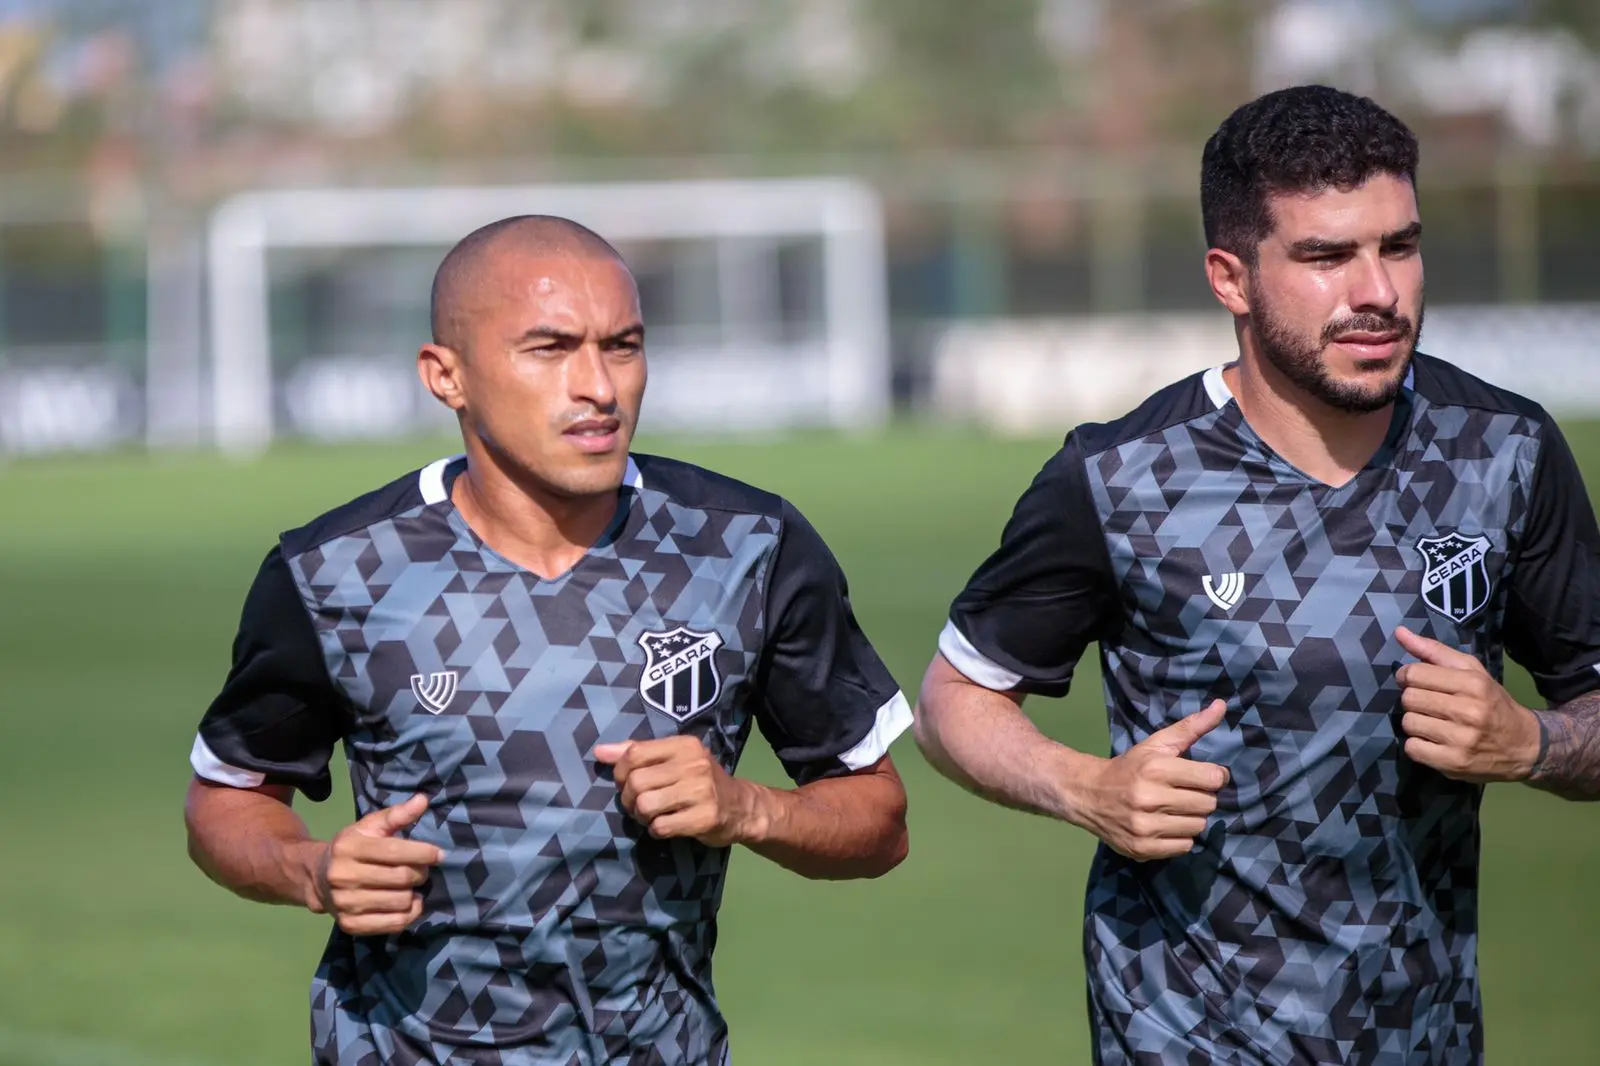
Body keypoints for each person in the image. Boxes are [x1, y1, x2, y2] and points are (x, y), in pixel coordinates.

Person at [913, 84, 1600, 1065]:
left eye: (1399, 246)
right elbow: (955, 697)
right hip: (1181, 1036)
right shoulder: (1119, 478)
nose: (1377, 290)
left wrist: (1532, 742)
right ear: (1230, 279)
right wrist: (1087, 787)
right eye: (1326, 257)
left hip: (1423, 1033)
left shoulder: (1505, 453)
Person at [183, 215, 913, 1066]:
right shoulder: (333, 572)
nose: (598, 386)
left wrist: (750, 809)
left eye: (623, 346)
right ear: (446, 376)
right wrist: (309, 871)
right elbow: (226, 798)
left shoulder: (749, 547)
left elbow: (880, 819)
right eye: (550, 349)